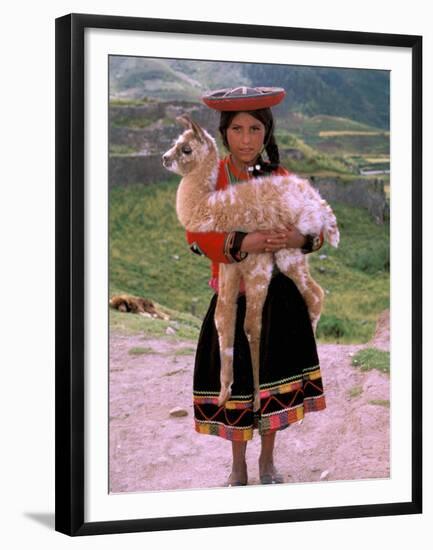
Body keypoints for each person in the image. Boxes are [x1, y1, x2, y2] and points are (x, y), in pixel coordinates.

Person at [186, 86, 326, 486]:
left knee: (272, 386)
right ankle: (237, 466)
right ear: (225, 133)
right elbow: (195, 234)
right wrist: (241, 242)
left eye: (254, 129)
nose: (246, 139)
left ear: (266, 134)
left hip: (279, 299)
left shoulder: (280, 177)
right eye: (237, 129)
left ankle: (266, 460)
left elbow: (314, 226)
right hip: (234, 298)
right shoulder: (210, 180)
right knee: (237, 387)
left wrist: (297, 239)